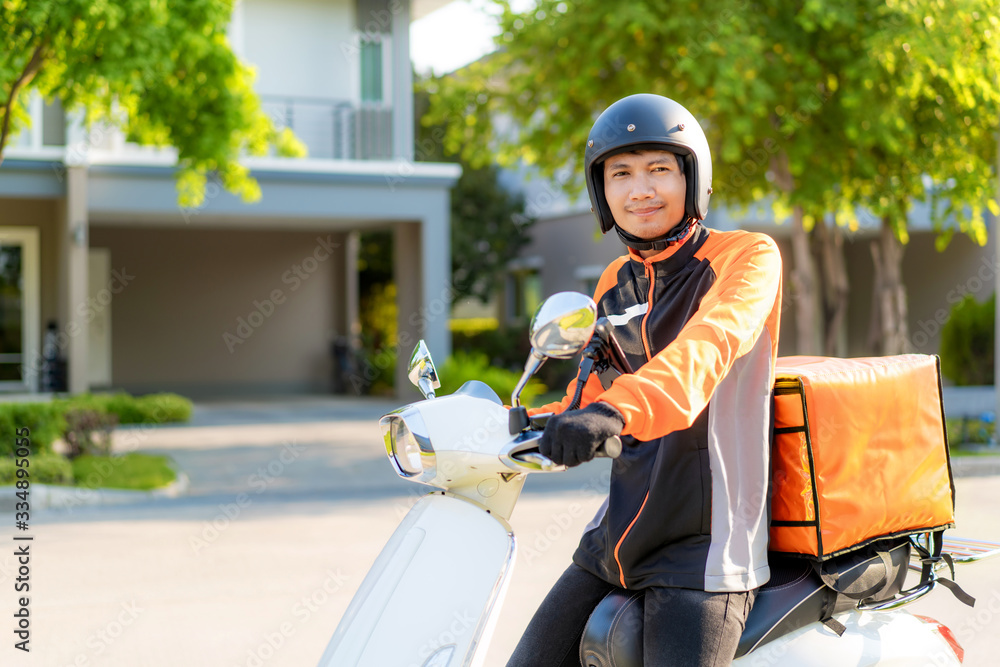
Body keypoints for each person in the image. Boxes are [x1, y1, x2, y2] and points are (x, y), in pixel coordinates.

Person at [507, 93, 783, 666]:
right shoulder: (615, 279)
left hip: (704, 549)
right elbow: (591, 390)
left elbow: (704, 351)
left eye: (660, 169)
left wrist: (613, 414)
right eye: (621, 173)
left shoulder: (747, 258)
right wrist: (529, 423)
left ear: (694, 177)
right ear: (601, 191)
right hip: (619, 535)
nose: (641, 190)